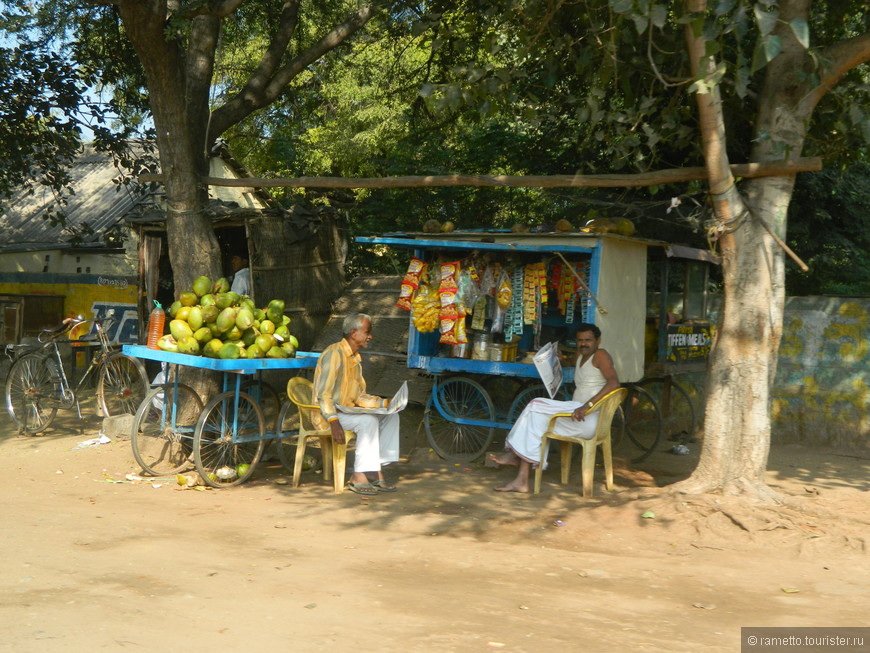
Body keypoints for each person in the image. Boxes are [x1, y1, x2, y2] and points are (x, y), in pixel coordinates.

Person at [488, 323, 620, 493]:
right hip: (576, 416)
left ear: (598, 340)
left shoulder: (601, 355)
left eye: (588, 340)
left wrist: (587, 406)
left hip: (589, 418)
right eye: (580, 340)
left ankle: (513, 453)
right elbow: (569, 363)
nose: (583, 344)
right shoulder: (581, 355)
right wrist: (558, 358)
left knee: (535, 404)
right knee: (535, 420)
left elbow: (614, 382)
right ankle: (521, 480)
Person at [312, 313, 400, 496]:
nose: (370, 336)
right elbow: (324, 394)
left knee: (392, 416)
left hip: (346, 412)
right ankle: (358, 475)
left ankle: (375, 470)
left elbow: (359, 397)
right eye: (367, 332)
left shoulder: (355, 359)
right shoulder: (334, 354)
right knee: (368, 422)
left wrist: (385, 403)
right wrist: (333, 421)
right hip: (327, 415)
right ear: (353, 333)